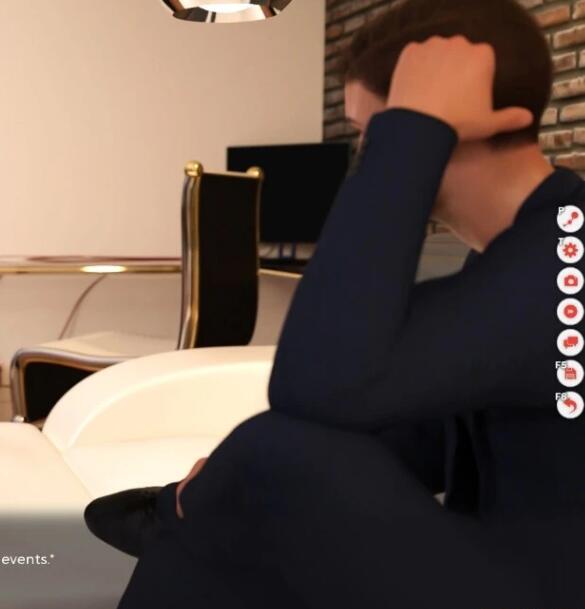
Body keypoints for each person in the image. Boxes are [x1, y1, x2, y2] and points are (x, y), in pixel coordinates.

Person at [86, 0, 585, 606]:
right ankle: (194, 514)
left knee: (274, 450)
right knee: (264, 471)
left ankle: (182, 516)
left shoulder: (568, 256)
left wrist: (413, 132)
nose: (371, 156)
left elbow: (312, 382)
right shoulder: (527, 249)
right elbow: (420, 432)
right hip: (507, 561)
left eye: (375, 134)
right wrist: (233, 483)